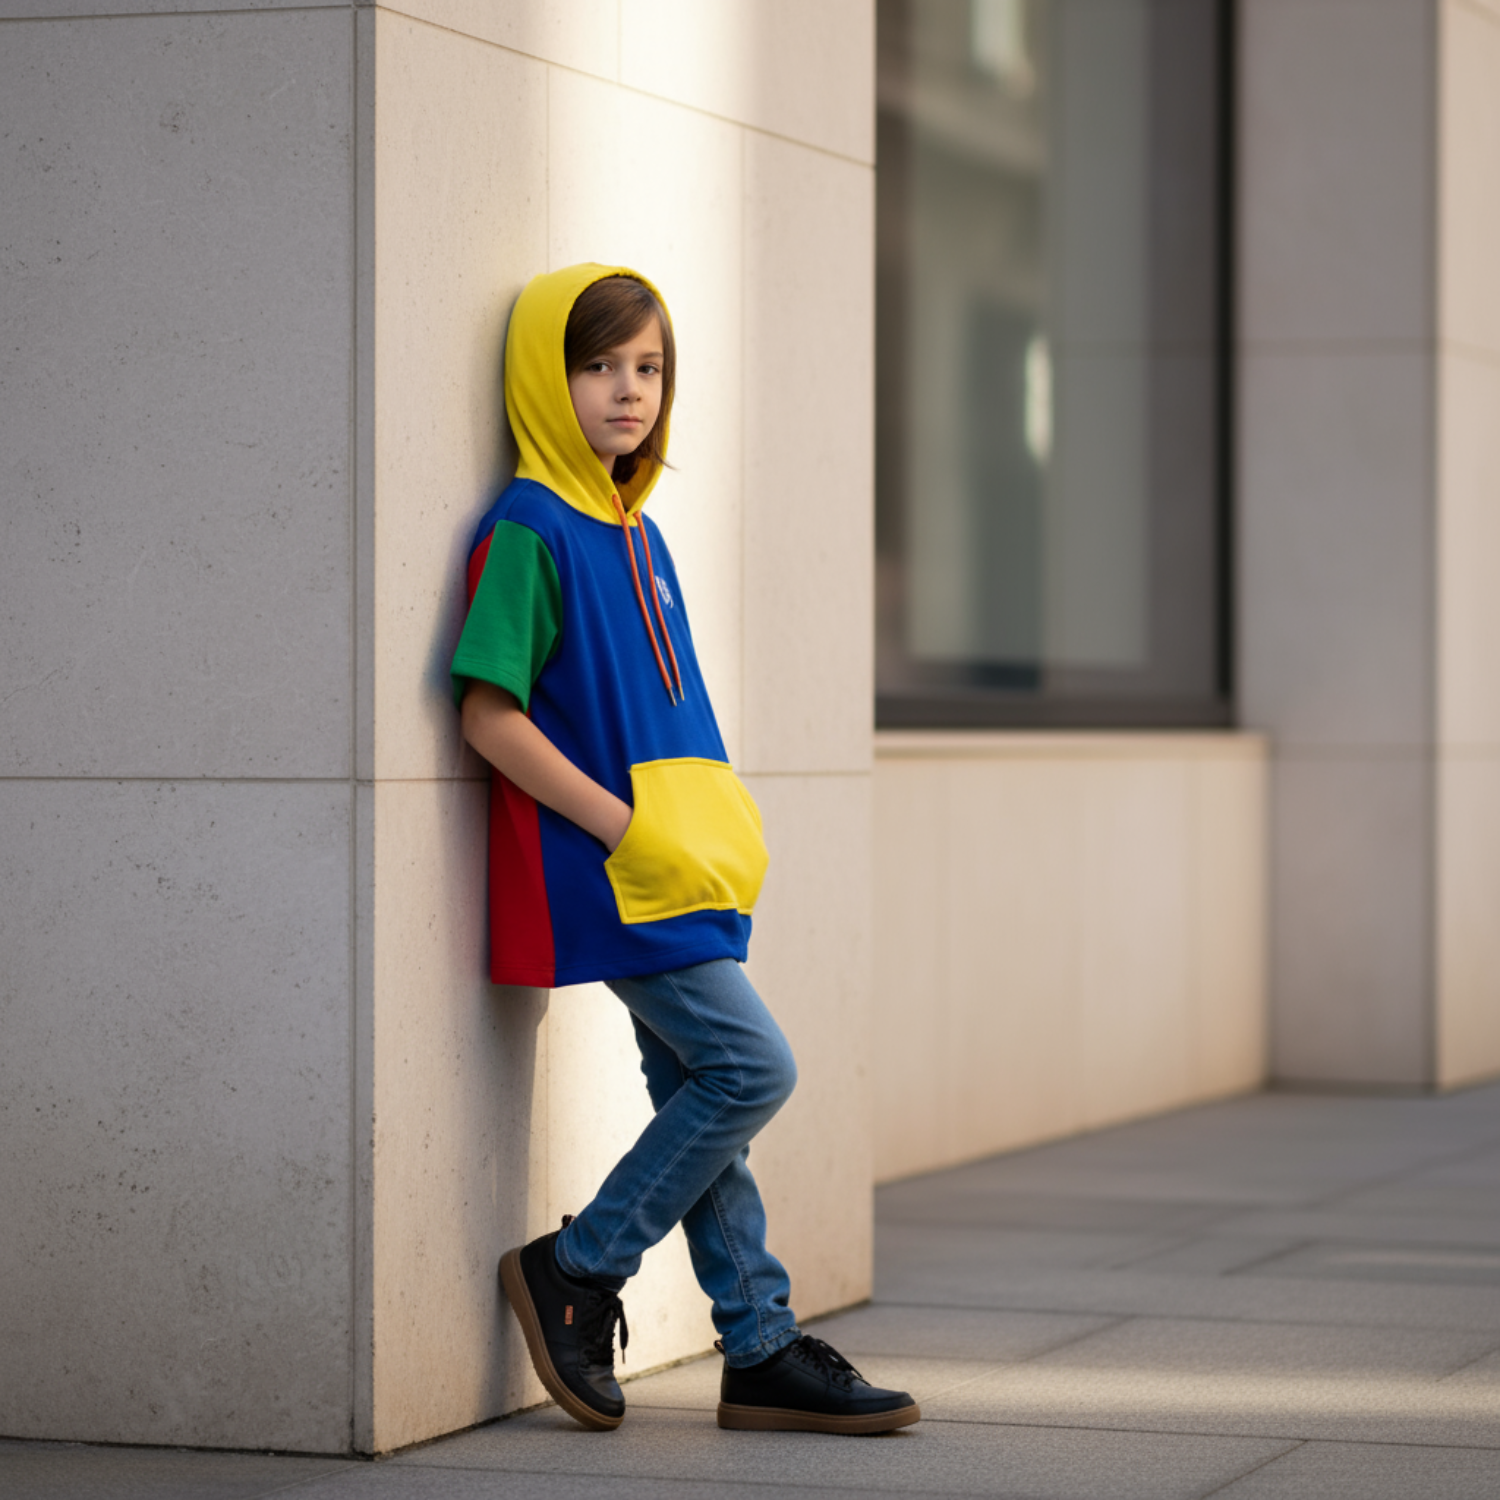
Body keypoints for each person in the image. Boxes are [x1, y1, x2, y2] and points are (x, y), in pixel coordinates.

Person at [450, 263, 919, 1436]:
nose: (626, 390)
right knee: (753, 1069)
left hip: (676, 868)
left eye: (647, 368)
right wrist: (622, 826)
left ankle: (757, 1344)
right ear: (543, 379)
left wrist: (710, 832)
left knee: (695, 1088)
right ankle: (579, 1264)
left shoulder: (640, 533)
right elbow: (487, 715)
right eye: (598, 365)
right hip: (614, 870)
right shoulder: (530, 527)